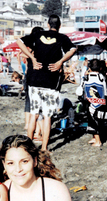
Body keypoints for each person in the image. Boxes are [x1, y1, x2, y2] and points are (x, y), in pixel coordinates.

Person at [17, 15, 77, 151]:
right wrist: (60, 62)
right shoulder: (62, 38)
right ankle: (44, 147)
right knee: (48, 116)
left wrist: (32, 58)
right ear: (59, 25)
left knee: (34, 114)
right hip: (51, 81)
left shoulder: (38, 34)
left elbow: (19, 41)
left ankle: (29, 146)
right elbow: (73, 49)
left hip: (34, 79)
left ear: (48, 24)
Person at [83, 59, 107, 147]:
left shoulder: (86, 77)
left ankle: (98, 141)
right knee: (97, 120)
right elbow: (105, 91)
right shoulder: (101, 77)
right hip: (100, 102)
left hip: (90, 102)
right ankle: (94, 137)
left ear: (90, 67)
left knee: (92, 120)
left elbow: (81, 90)